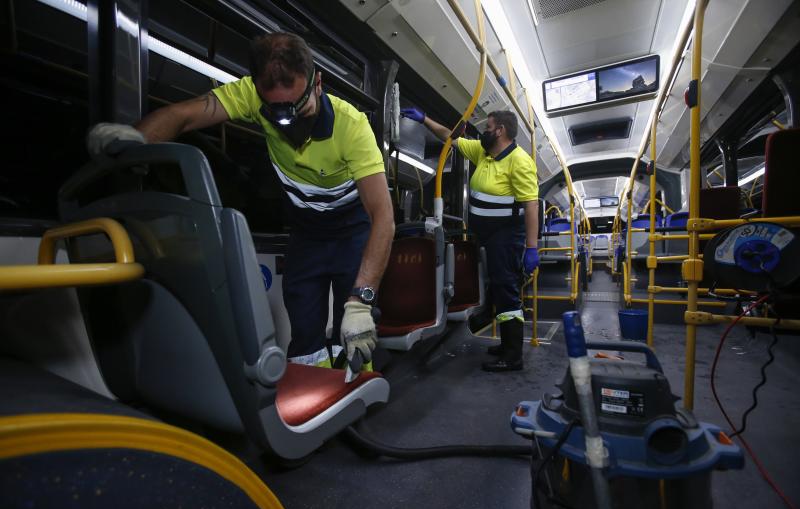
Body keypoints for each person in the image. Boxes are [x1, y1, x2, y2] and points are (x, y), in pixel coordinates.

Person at [87, 32, 395, 376]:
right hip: (307, 236)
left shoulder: (352, 128)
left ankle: (361, 392)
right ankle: (317, 406)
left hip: (352, 233)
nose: (289, 121)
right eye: (277, 112)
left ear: (317, 82)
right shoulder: (250, 96)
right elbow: (184, 115)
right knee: (304, 334)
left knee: (352, 329)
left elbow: (382, 215)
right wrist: (139, 139)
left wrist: (362, 299)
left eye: (298, 106)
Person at [402, 108, 539, 371]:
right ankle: (506, 344)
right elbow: (449, 138)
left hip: (506, 236)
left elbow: (531, 206)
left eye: (487, 128)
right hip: (487, 236)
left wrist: (531, 248)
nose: (483, 132)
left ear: (500, 130)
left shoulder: (520, 161)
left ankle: (513, 356)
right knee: (497, 287)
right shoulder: (483, 153)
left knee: (507, 289)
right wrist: (425, 119)